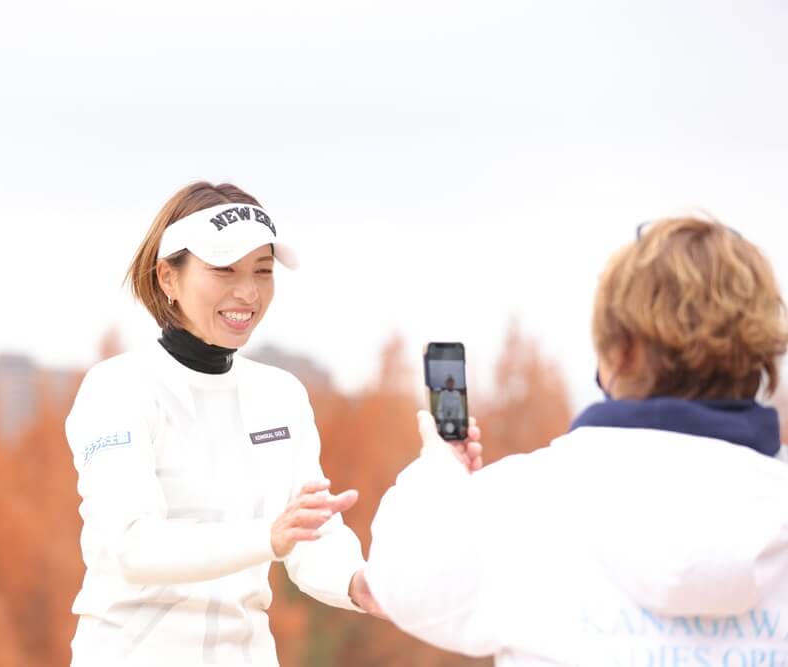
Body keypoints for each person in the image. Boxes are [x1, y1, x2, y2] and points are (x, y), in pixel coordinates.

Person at [365, 216, 788, 666]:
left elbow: (400, 577)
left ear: (618, 351)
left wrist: (439, 471)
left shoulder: (521, 501)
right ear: (759, 350)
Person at [64, 182, 383, 667]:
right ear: (168, 278)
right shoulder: (117, 388)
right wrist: (268, 536)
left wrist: (360, 584)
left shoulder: (281, 395)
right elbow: (132, 546)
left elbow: (308, 535)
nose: (248, 292)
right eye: (224, 269)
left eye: (262, 271)